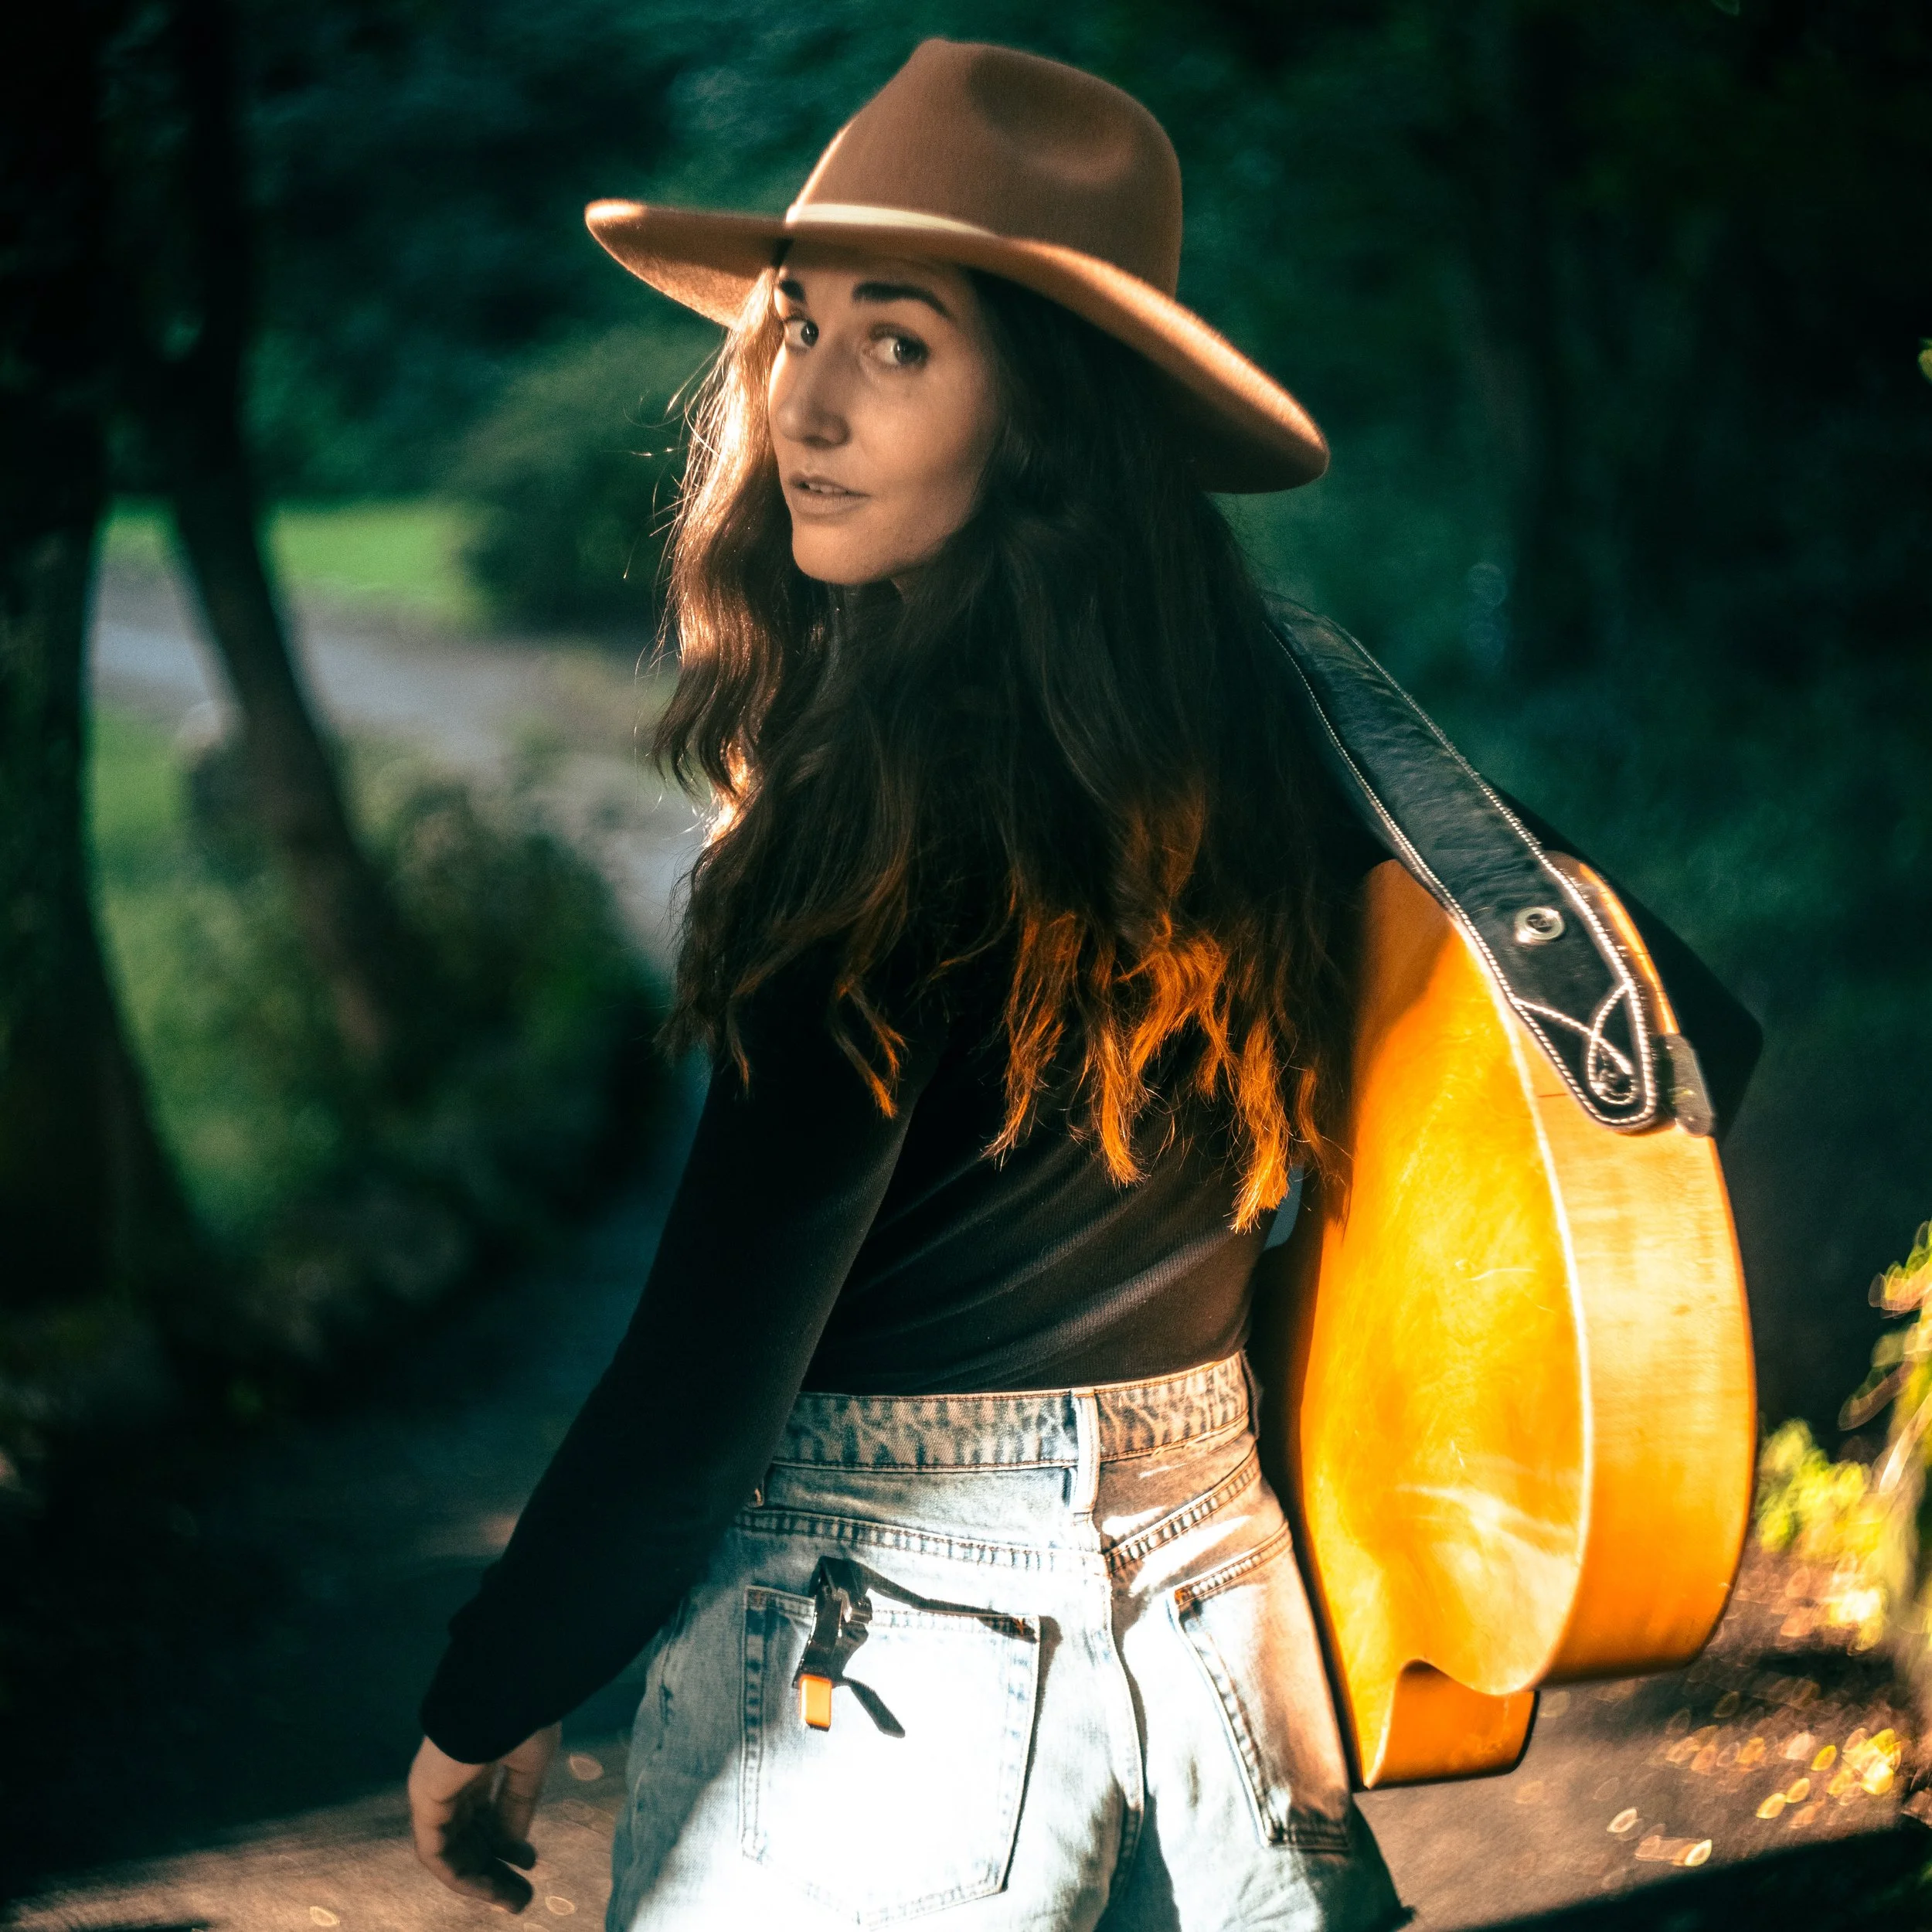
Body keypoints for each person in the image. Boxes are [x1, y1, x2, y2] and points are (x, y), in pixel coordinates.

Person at [406, 40, 1755, 1932]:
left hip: (880, 1694)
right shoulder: (1285, 721)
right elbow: (1662, 1034)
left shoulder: (860, 810)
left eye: (899, 342)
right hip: (1227, 1657)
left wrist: (494, 1686)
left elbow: (712, 1363)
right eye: (793, 326)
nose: (807, 400)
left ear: (1043, 409)